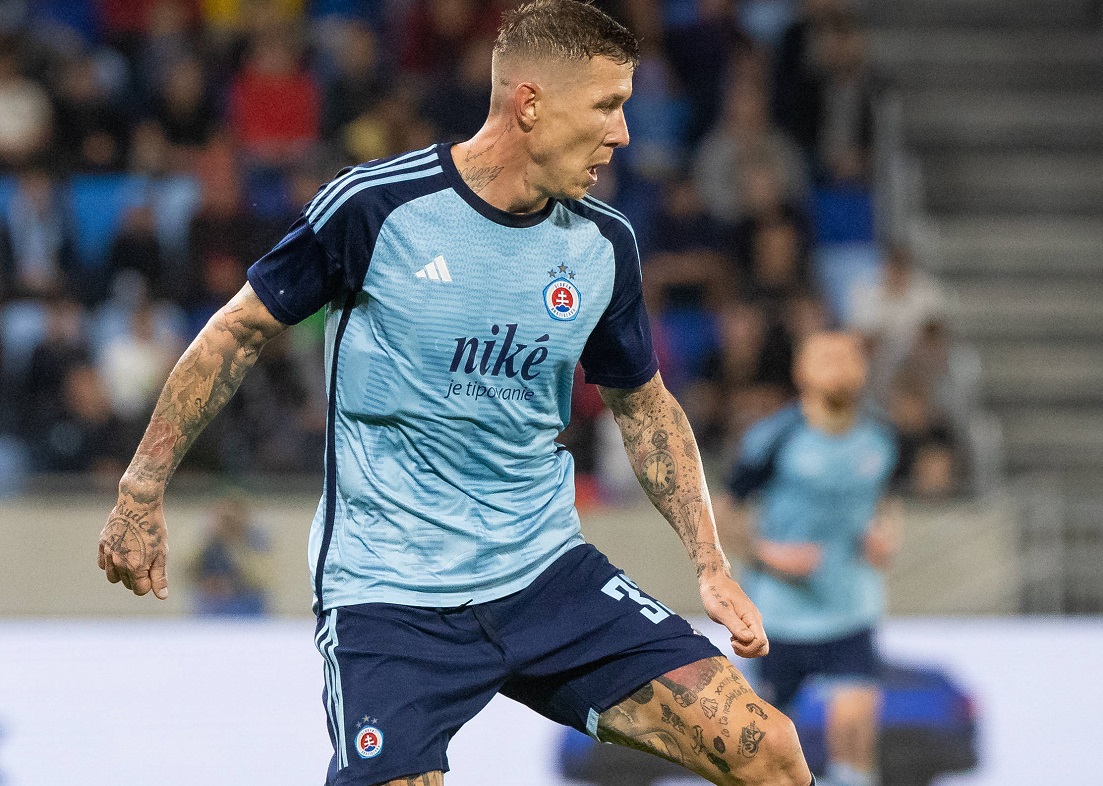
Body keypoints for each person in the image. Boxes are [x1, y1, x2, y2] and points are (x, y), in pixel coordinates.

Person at [96, 2, 815, 785]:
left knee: (770, 753)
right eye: (607, 105)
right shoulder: (375, 208)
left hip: (546, 575)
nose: (623, 135)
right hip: (390, 595)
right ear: (531, 103)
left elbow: (643, 406)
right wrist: (141, 489)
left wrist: (709, 562)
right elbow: (235, 333)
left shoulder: (604, 244)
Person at [723, 332, 899, 786]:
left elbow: (885, 499)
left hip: (850, 609)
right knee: (766, 750)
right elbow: (723, 512)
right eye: (826, 357)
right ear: (802, 371)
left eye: (847, 357)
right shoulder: (775, 437)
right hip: (781, 615)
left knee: (855, 733)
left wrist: (886, 535)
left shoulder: (880, 437)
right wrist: (767, 554)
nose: (838, 365)